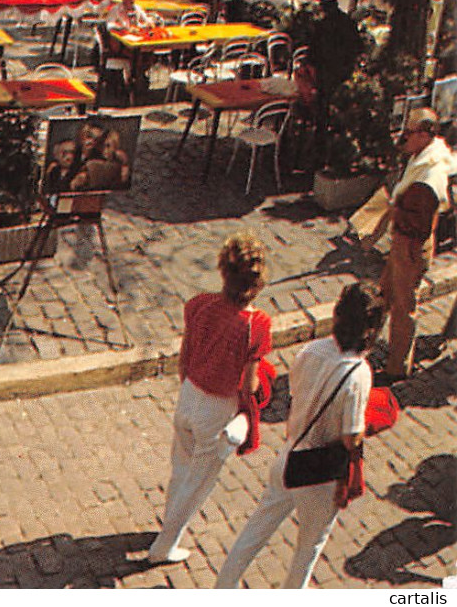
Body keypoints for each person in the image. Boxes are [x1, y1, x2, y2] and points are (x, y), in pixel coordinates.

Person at [215, 282, 387, 588]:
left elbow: (296, 392)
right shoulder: (358, 372)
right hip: (319, 477)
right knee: (307, 552)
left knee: (255, 531)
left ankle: (222, 588)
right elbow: (350, 437)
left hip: (289, 455)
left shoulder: (312, 350)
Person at [146, 234, 272, 565]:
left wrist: (190, 384)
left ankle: (167, 522)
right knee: (199, 482)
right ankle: (165, 543)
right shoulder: (257, 324)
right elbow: (249, 383)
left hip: (189, 394)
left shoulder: (199, 304)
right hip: (217, 407)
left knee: (180, 466)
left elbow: (184, 357)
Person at [354, 106, 451, 382]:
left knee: (403, 308)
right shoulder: (425, 155)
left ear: (424, 134)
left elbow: (420, 222)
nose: (404, 138)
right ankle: (364, 344)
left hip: (409, 246)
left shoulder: (428, 177)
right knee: (383, 295)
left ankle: (397, 367)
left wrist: (392, 210)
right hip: (404, 245)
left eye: (409, 133)